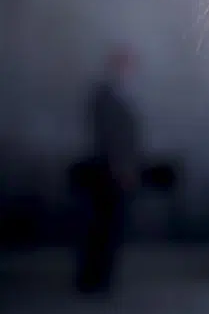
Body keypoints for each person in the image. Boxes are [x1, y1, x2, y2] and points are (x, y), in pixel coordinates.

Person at [72, 48, 142, 295]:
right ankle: (93, 278)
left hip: (115, 173)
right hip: (108, 175)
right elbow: (111, 139)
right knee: (101, 228)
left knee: (108, 228)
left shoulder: (118, 96)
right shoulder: (106, 97)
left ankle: (99, 277)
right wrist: (121, 169)